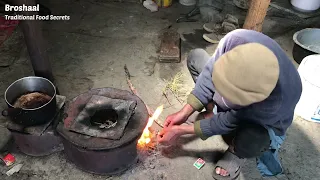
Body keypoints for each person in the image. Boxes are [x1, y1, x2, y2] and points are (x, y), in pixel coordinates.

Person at [157, 29, 302, 179]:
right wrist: (184, 112)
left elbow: (230, 120)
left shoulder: (277, 99)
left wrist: (181, 130)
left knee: (252, 140)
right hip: (242, 98)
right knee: (196, 57)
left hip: (263, 122)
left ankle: (235, 151)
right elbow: (208, 75)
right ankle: (211, 109)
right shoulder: (235, 40)